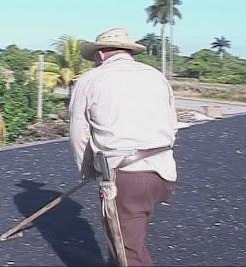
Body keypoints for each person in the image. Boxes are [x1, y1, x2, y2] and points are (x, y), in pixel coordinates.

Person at [69, 27, 178, 266]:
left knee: (128, 253)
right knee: (125, 241)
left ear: (99, 55)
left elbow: (80, 135)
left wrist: (87, 171)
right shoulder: (155, 75)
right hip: (163, 172)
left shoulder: (90, 80)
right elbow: (173, 125)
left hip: (126, 178)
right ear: (129, 52)